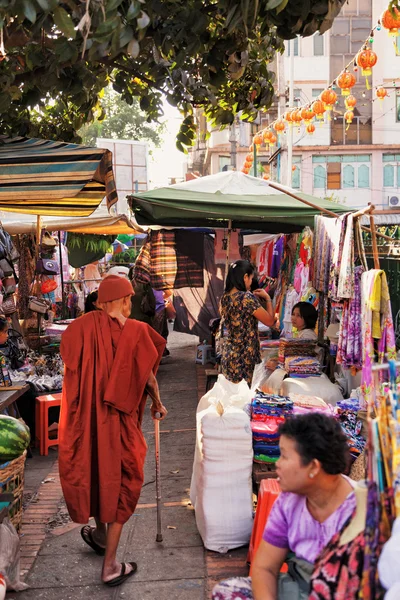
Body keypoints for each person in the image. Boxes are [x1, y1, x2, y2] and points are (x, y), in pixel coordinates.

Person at [59, 275, 168, 587]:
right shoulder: (134, 332)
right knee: (124, 483)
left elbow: (69, 362)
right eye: (128, 299)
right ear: (118, 301)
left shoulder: (79, 328)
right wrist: (157, 404)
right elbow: (147, 378)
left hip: (87, 424)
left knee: (93, 471)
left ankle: (102, 535)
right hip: (117, 424)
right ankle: (110, 566)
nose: (130, 305)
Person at [212, 413, 355, 600]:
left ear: (313, 467)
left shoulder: (363, 508)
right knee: (228, 591)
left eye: (284, 456)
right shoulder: (288, 503)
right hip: (299, 589)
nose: (277, 464)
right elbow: (264, 567)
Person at [220, 260, 275, 386]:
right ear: (245, 277)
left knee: (232, 395)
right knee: (242, 396)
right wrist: (267, 299)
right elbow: (270, 321)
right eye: (250, 278)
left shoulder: (225, 297)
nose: (251, 282)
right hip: (243, 355)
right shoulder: (246, 298)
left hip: (230, 352)